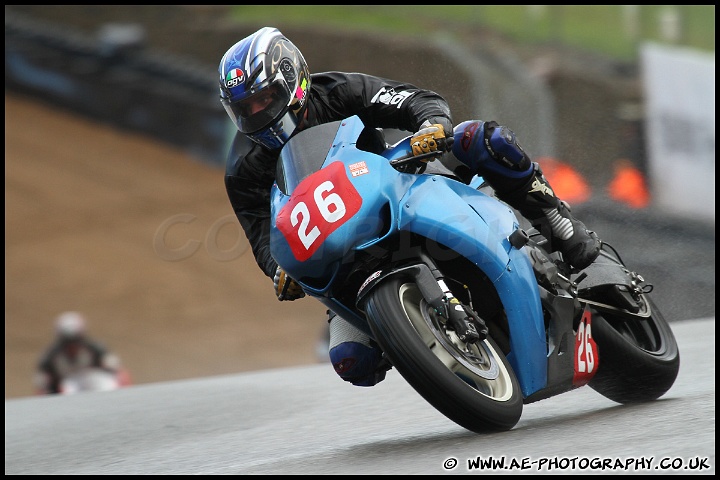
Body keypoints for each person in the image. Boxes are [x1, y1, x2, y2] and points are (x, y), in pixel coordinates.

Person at [219, 27, 602, 388]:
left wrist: (431, 124)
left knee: (483, 138)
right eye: (245, 107)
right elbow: (261, 237)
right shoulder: (242, 168)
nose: (256, 113)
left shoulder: (336, 90)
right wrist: (278, 270)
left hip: (399, 186)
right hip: (341, 258)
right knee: (352, 361)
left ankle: (556, 222)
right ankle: (416, 334)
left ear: (292, 80)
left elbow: (411, 99)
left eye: (264, 99)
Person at [34, 311, 122, 394]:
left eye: (76, 341)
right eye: (67, 342)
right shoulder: (50, 358)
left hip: (95, 386)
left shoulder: (95, 350)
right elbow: (41, 388)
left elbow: (120, 372)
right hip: (66, 394)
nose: (72, 346)